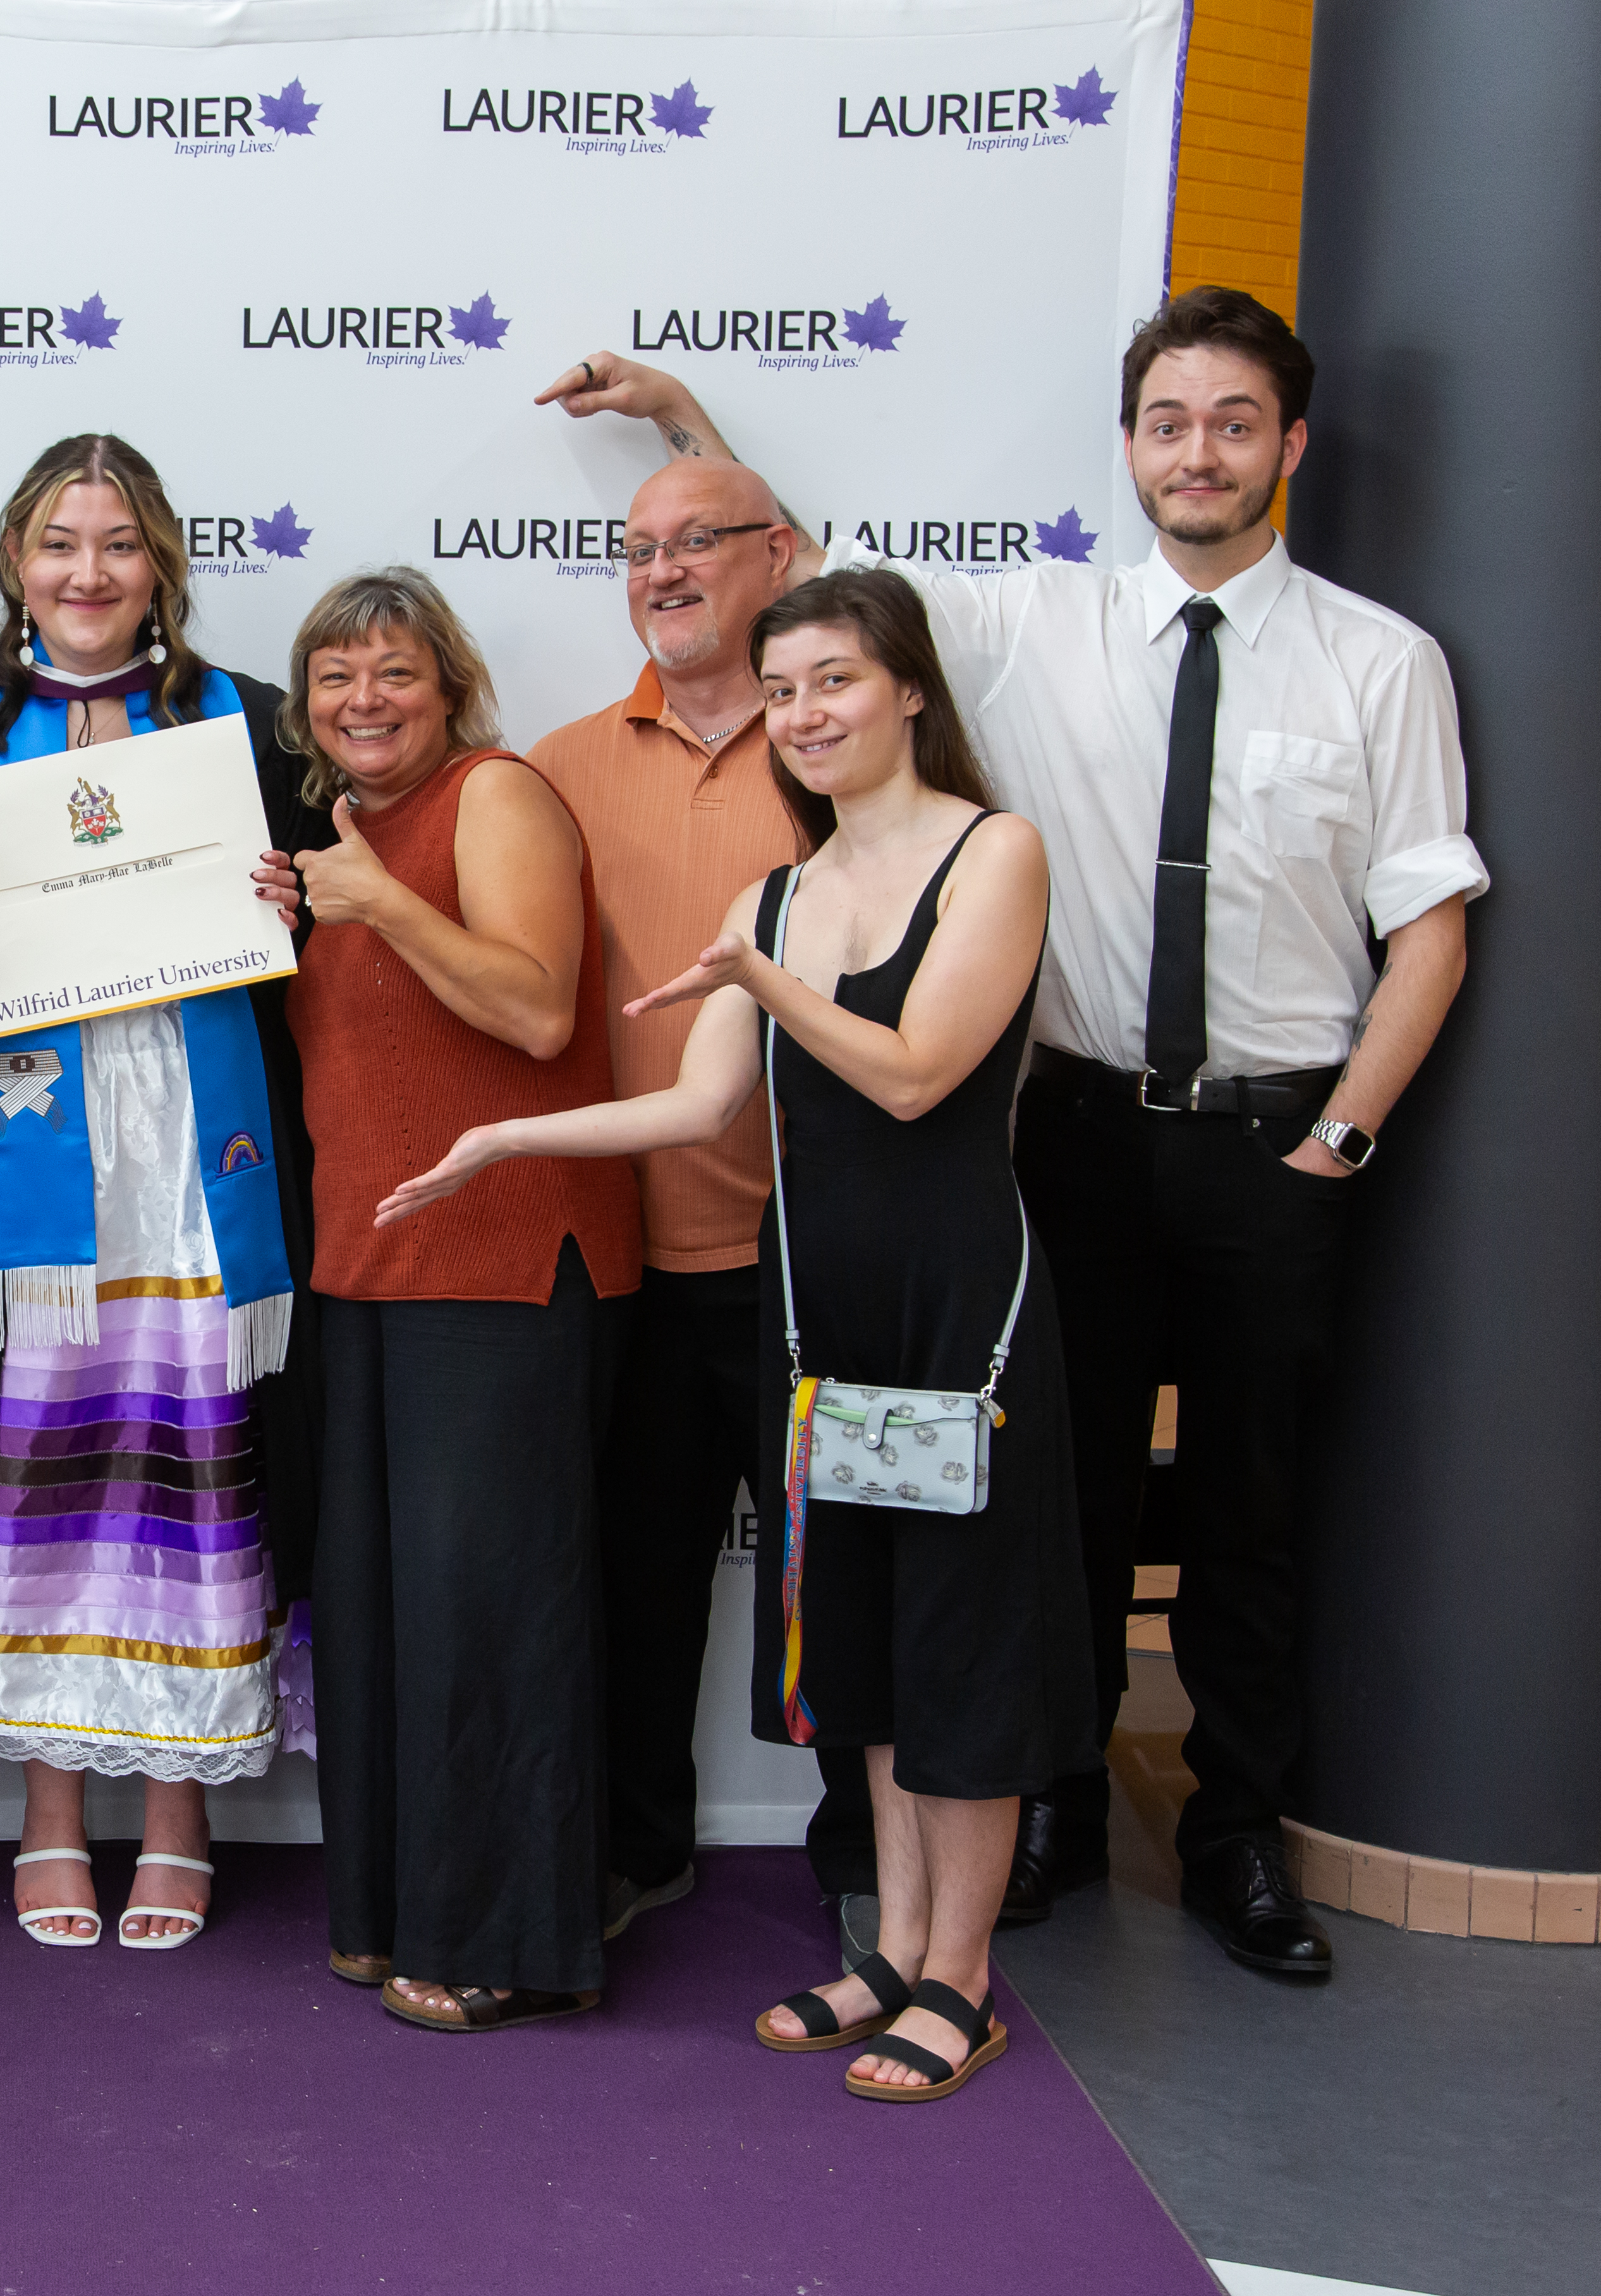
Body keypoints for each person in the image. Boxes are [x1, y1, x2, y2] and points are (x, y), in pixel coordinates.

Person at [548, 288, 1484, 1976]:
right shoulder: (1036, 624)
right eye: (1166, 423)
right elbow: (816, 595)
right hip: (1065, 1145)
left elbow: (1427, 928)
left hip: (1271, 1145)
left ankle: (1236, 1833)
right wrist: (684, 421)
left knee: (1253, 1511)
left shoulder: (1379, 659)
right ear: (1127, 447)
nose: (1197, 452)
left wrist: (1338, 1143)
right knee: (1056, 1508)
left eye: (1232, 423)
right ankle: (1045, 1810)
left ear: (1287, 443)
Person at [382, 568, 1087, 2101]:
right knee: (866, 1650)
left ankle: (962, 1980)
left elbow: (912, 1071)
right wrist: (508, 1136)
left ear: (907, 689)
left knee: (958, 1650)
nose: (805, 714)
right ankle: (897, 1950)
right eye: (781, 692)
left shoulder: (994, 850)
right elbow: (700, 1102)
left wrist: (766, 980)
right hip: (816, 1321)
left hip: (955, 1321)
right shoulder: (773, 894)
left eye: (835, 680)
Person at [0, 435, 323, 1950]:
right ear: (14, 558)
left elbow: (325, 944)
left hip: (195, 1148)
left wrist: (297, 908)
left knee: (192, 1445)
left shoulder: (250, 721)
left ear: (162, 565)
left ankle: (182, 1805)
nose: (87, 571)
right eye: (59, 542)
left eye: (119, 543)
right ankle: (50, 1803)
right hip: (27, 1164)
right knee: (42, 1459)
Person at [513, 449, 883, 1962]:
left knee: (844, 1579)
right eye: (639, 547)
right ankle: (632, 1848)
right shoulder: (555, 764)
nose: (662, 569)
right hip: (621, 1258)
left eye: (698, 541)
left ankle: (868, 1862)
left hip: (818, 1254)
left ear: (780, 553)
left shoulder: (845, 759)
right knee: (630, 1581)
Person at [269, 569, 642, 2033]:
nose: (363, 699)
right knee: (381, 1621)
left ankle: (513, 1941)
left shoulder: (495, 793)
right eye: (335, 677)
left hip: (504, 1267)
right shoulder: (340, 844)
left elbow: (537, 1009)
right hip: (369, 1276)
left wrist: (378, 903)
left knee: (490, 1620)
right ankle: (389, 1909)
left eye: (393, 671)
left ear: (449, 687)